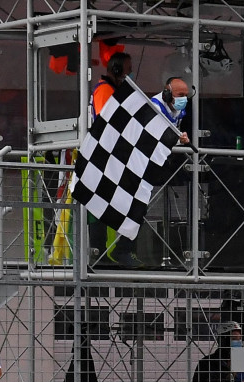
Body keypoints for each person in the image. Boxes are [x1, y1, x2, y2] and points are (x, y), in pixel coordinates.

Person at [88, 51, 143, 269]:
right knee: (112, 205)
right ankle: (106, 252)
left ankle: (118, 251)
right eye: (128, 70)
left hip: (116, 158)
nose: (131, 74)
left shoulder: (113, 91)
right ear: (118, 70)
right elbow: (108, 123)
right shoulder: (105, 91)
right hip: (109, 159)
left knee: (128, 205)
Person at [150, 76, 190, 145]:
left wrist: (181, 139)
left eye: (186, 95)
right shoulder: (154, 107)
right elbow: (155, 137)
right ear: (167, 95)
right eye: (180, 95)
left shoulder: (180, 107)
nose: (183, 99)